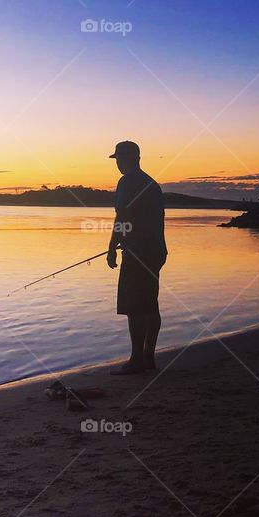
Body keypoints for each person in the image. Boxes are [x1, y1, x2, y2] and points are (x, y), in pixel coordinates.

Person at [106, 141, 168, 375]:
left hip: (138, 253)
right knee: (150, 305)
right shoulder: (152, 183)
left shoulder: (127, 181)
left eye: (119, 158)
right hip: (157, 251)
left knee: (134, 307)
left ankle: (136, 361)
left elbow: (122, 217)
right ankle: (148, 358)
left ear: (131, 157)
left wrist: (112, 247)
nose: (118, 164)